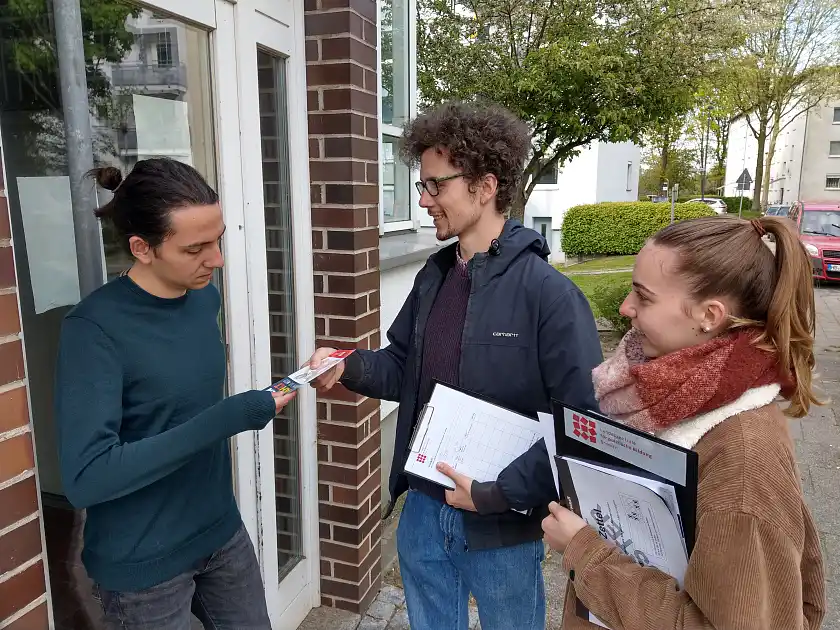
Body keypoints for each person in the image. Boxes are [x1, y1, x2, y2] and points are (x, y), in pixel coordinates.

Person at [308, 101, 603, 630]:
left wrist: (494, 495)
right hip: (422, 508)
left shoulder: (550, 296)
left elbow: (580, 427)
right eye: (421, 186)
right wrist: (347, 366)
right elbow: (403, 367)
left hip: (502, 527)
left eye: (435, 185)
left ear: (484, 186)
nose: (423, 200)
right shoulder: (434, 277)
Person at [542, 215, 826, 629]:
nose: (625, 308)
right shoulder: (662, 397)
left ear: (710, 315)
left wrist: (584, 553)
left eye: (644, 296)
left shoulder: (744, 461)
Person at [54, 158, 295, 630]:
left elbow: (182, 404)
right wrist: (230, 417)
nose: (217, 259)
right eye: (196, 248)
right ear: (142, 248)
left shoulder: (203, 296)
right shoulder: (94, 330)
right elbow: (88, 476)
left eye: (218, 239)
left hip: (219, 531)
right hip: (143, 566)